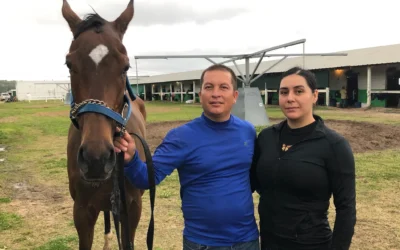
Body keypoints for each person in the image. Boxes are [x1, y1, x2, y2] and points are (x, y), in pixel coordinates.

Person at [114, 64, 260, 249]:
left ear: (235, 96)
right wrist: (131, 159)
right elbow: (146, 178)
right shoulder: (181, 136)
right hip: (201, 243)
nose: (216, 93)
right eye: (209, 87)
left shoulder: (247, 131)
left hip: (247, 241)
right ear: (200, 95)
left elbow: (255, 179)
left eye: (223, 87)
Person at [250, 67, 356, 250]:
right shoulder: (266, 137)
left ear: (314, 95)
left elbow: (346, 208)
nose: (290, 98)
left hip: (312, 243)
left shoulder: (334, 145)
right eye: (284, 92)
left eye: (299, 91)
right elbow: (253, 182)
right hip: (269, 242)